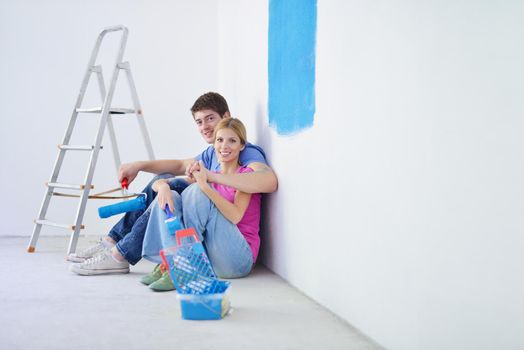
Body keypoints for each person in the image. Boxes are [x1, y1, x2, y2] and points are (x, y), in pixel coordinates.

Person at [69, 92, 277, 281]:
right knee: (166, 185)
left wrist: (209, 179)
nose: (205, 126)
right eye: (199, 122)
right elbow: (179, 166)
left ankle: (124, 254)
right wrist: (142, 168)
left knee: (188, 188)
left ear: (226, 117)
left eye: (210, 118)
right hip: (217, 240)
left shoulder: (246, 153)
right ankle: (114, 242)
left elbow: (267, 180)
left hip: (234, 247)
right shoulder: (212, 153)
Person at [142, 118, 259, 290]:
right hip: (212, 257)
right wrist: (163, 187)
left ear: (242, 145)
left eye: (232, 141)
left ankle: (183, 266)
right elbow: (163, 183)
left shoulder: (246, 176)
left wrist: (204, 186)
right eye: (220, 140)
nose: (224, 146)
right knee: (172, 197)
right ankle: (175, 261)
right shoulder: (210, 173)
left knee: (197, 191)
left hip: (238, 259)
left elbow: (235, 216)